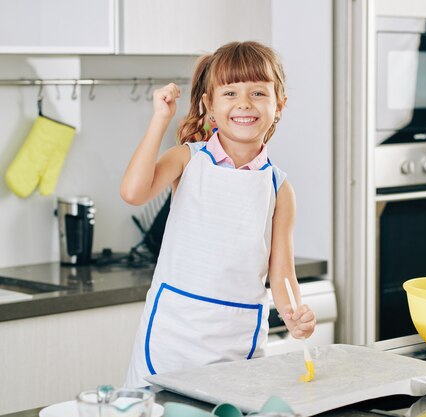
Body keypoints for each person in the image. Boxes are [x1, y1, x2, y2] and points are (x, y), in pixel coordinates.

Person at [121, 41, 316, 388]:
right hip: (173, 337)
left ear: (279, 104)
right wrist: (159, 120)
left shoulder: (279, 188)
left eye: (258, 92)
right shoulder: (187, 159)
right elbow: (133, 193)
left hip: (237, 342)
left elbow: (282, 273)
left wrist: (294, 315)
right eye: (230, 92)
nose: (244, 103)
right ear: (210, 105)